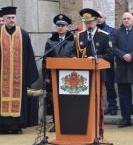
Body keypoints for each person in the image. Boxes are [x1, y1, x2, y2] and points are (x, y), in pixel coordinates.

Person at [75, 8, 113, 138]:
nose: (88, 25)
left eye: (90, 22)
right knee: (82, 104)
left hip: (97, 76)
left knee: (98, 104)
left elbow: (109, 55)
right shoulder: (79, 36)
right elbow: (74, 53)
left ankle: (99, 131)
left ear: (96, 21)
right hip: (81, 76)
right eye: (86, 23)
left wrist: (96, 58)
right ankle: (83, 130)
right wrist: (74, 59)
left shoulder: (104, 36)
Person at [0, 6, 39, 134]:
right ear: (4, 19)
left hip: (19, 77)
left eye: (13, 17)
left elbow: (29, 56)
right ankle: (3, 126)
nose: (11, 20)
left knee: (19, 99)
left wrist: (29, 76)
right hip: (2, 78)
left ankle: (16, 126)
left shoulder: (23, 34)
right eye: (8, 18)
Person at [42, 14, 75, 132]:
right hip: (54, 76)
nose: (60, 27)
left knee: (69, 100)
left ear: (67, 27)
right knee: (55, 101)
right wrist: (46, 77)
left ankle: (69, 123)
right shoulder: (50, 41)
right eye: (58, 25)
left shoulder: (73, 40)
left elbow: (77, 56)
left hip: (69, 76)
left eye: (63, 25)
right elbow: (45, 61)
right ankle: (57, 123)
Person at [97, 11, 118, 116]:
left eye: (100, 17)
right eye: (96, 17)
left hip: (107, 63)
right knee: (97, 86)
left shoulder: (111, 31)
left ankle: (112, 106)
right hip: (94, 63)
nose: (98, 19)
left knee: (109, 85)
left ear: (105, 18)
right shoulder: (92, 30)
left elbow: (113, 47)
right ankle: (98, 106)